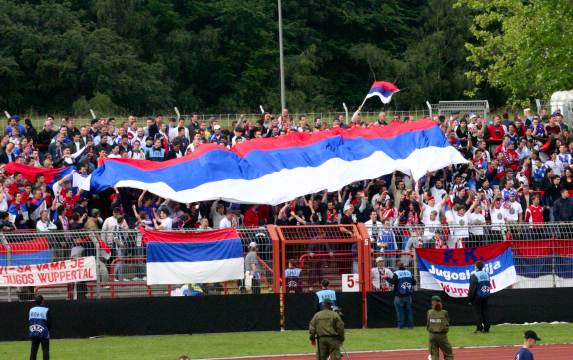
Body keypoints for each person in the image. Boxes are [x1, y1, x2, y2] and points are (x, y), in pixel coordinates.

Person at [389, 261, 416, 329]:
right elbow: (414, 282)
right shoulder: (409, 272)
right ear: (404, 266)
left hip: (399, 295)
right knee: (409, 311)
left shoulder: (396, 273)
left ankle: (401, 326)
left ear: (397, 267)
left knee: (400, 311)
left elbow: (392, 282)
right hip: (408, 295)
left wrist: (386, 278)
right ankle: (410, 326)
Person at [426, 295, 453, 360]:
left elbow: (428, 323)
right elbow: (447, 322)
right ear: (440, 302)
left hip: (432, 336)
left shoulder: (429, 312)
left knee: (434, 355)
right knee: (448, 354)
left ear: (432, 302)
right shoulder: (444, 312)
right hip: (442, 336)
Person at [468, 261, 491, 333]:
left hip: (477, 296)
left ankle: (479, 328)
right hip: (486, 295)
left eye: (475, 266)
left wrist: (470, 299)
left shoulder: (474, 275)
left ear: (476, 267)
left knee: (478, 313)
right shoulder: (487, 275)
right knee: (485, 312)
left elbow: (472, 289)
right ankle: (487, 328)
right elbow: (488, 285)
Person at [29, 295, 51, 360]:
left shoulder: (31, 310)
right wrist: (48, 331)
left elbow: (30, 321)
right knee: (45, 350)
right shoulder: (46, 310)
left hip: (34, 331)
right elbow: (49, 323)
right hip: (44, 333)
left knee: (33, 350)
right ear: (42, 301)